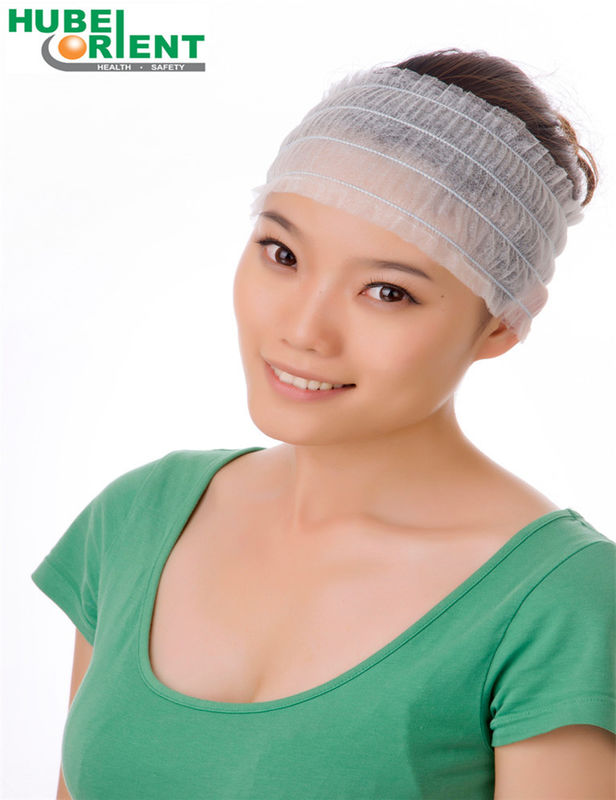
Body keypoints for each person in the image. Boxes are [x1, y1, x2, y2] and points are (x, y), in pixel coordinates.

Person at [32, 48, 615, 799]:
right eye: (281, 253)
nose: (303, 329)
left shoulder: (559, 602)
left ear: (499, 325)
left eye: (387, 292)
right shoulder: (137, 520)